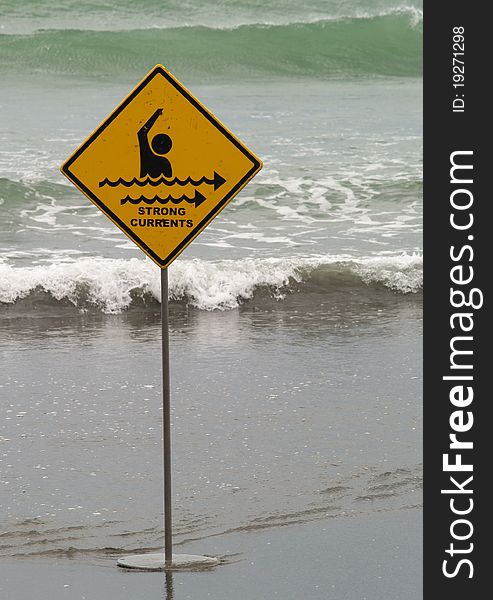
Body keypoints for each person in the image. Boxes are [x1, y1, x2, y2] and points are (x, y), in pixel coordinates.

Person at [138, 108, 172, 178]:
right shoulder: (164, 162)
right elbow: (141, 134)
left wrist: (156, 114)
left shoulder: (163, 162)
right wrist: (156, 115)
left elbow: (141, 134)